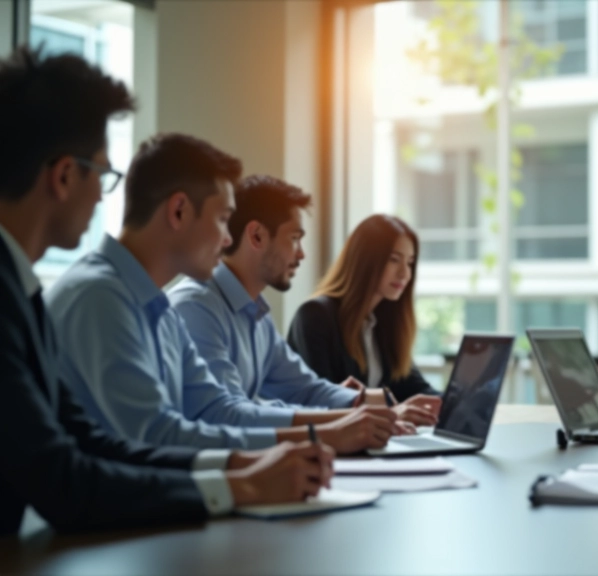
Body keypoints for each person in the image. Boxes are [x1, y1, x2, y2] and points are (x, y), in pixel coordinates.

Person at [0, 46, 332, 533]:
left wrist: (240, 467)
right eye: (104, 175)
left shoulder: (28, 293)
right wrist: (241, 485)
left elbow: (88, 441)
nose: (102, 195)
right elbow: (64, 475)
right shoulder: (89, 295)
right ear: (66, 175)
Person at [46, 133, 397, 455]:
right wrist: (324, 434)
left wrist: (342, 425)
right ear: (179, 211)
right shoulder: (100, 298)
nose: (228, 239)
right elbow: (156, 437)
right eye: (222, 220)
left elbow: (213, 409)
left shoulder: (160, 309)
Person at [168, 175, 436, 428]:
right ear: (257, 236)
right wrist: (352, 419)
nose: (302, 254)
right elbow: (225, 414)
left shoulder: (256, 314)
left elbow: (306, 388)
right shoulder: (196, 307)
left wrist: (367, 404)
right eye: (294, 238)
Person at [288, 215, 442, 407]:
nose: (404, 273)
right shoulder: (315, 316)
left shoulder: (382, 323)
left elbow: (416, 389)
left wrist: (465, 399)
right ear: (365, 260)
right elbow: (324, 400)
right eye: (394, 260)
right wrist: (394, 412)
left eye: (410, 263)